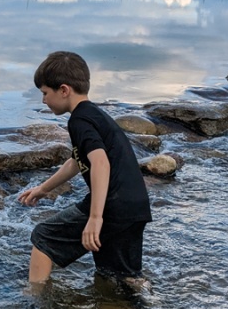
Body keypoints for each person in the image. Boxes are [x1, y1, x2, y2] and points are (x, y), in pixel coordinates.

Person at [18, 51, 151, 288]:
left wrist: (95, 217)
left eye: (45, 93)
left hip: (112, 206)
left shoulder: (78, 121)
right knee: (121, 276)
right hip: (135, 206)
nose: (43, 101)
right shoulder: (96, 115)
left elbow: (100, 162)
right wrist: (42, 189)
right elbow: (77, 161)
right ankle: (146, 306)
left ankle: (34, 301)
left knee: (43, 237)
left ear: (64, 90)